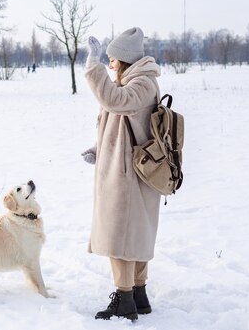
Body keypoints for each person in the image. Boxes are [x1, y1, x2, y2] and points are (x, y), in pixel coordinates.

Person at [81, 27, 162, 321]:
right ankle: (138, 295)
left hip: (128, 174)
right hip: (127, 168)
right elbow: (120, 123)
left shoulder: (142, 83)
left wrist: (93, 63)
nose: (110, 63)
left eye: (113, 59)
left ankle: (124, 298)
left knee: (120, 236)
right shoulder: (134, 82)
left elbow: (114, 100)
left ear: (125, 59)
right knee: (135, 233)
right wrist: (98, 148)